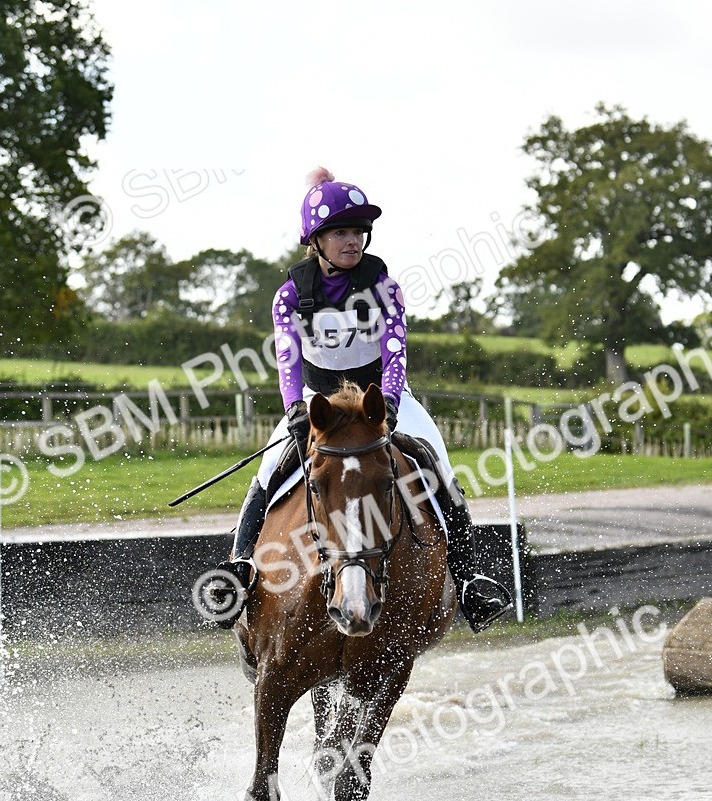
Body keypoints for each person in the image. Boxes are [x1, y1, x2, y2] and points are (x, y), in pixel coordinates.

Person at [217, 168, 512, 632]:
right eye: (340, 232)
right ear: (316, 241)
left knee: (438, 465)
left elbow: (395, 353)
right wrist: (294, 407)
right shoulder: (289, 295)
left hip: (382, 394)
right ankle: (239, 567)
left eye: (357, 231)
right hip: (319, 396)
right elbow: (287, 359)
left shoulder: (385, 289)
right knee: (268, 471)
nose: (352, 240)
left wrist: (390, 403)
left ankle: (469, 578)